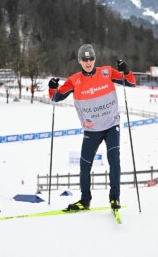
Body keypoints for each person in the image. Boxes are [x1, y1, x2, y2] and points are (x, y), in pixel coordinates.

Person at [48, 44, 136, 211]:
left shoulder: (107, 72)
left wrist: (126, 70)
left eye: (91, 58)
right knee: (84, 165)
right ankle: (85, 200)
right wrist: (52, 87)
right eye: (85, 59)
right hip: (91, 130)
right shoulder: (74, 80)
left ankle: (114, 198)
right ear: (79, 61)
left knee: (114, 160)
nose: (88, 62)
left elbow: (131, 82)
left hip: (111, 126)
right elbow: (56, 97)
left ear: (95, 59)